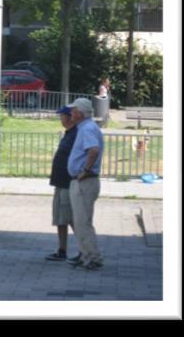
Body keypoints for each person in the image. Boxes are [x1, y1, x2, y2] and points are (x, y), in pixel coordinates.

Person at [66, 98, 105, 270]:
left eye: (73, 110)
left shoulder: (87, 129)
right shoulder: (86, 127)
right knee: (81, 220)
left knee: (83, 222)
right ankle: (85, 254)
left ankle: (92, 257)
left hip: (85, 182)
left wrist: (85, 170)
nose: (71, 113)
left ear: (80, 113)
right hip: (83, 181)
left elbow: (93, 150)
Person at [45, 106, 78, 262]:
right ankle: (62, 249)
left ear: (70, 117)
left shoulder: (76, 134)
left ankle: (84, 249)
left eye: (62, 116)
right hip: (60, 182)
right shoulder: (69, 134)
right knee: (60, 217)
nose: (61, 119)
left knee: (71, 218)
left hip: (67, 182)